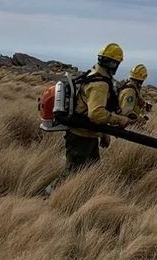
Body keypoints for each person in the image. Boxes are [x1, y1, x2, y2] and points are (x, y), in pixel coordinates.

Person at [45, 43, 132, 195]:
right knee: (72, 173)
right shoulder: (100, 84)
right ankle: (47, 197)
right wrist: (119, 120)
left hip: (88, 135)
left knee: (92, 171)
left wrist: (103, 134)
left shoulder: (93, 75)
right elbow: (96, 114)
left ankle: (82, 198)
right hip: (81, 136)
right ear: (114, 64)